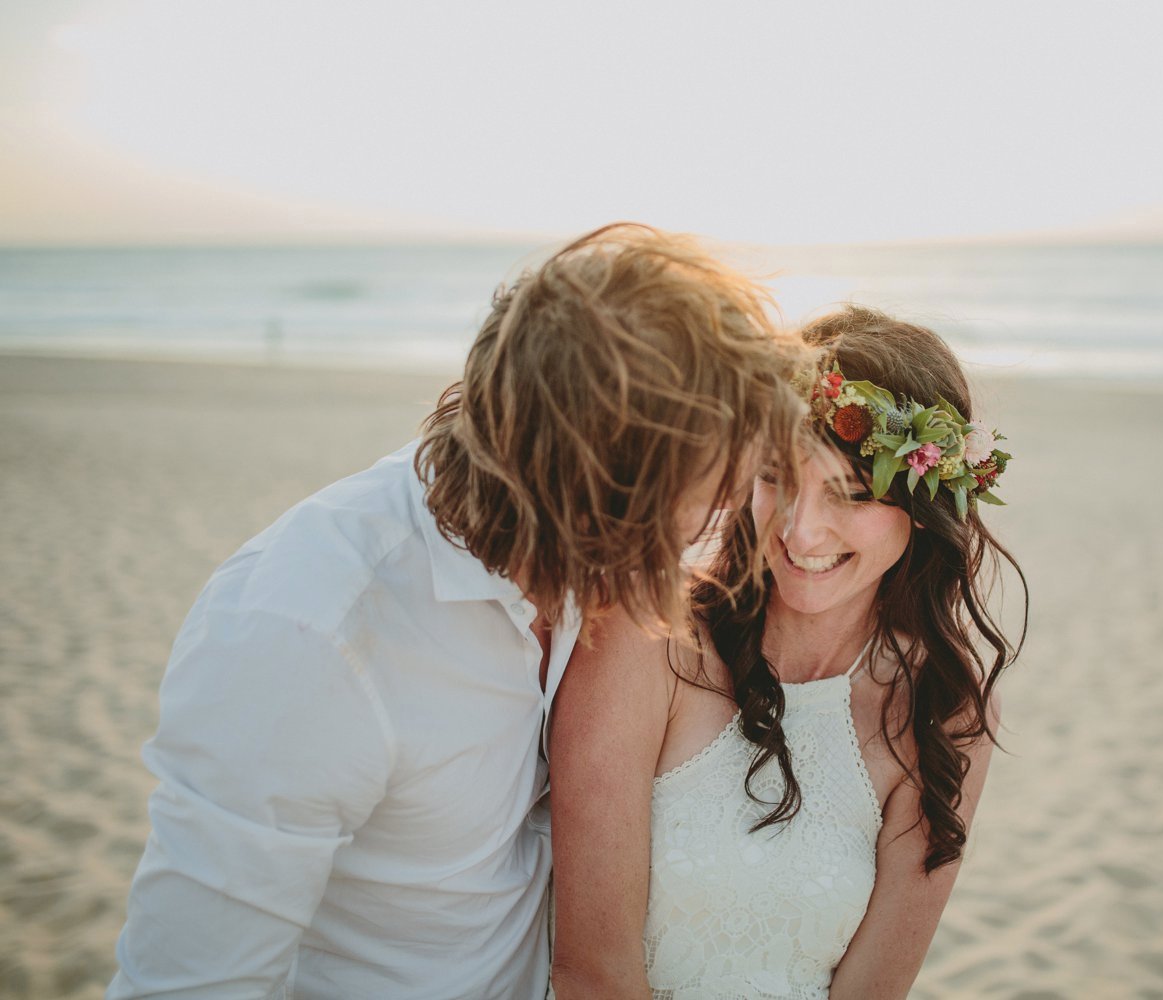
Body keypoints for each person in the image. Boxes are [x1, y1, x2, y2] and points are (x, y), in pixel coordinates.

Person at [106, 224, 804, 1000]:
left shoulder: (590, 559)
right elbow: (188, 985)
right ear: (600, 504)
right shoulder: (308, 639)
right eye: (708, 496)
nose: (726, 517)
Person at [549, 305, 1027, 999]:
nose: (803, 532)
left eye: (852, 493)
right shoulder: (646, 636)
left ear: (927, 504)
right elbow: (592, 974)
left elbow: (872, 992)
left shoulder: (946, 709)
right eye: (777, 479)